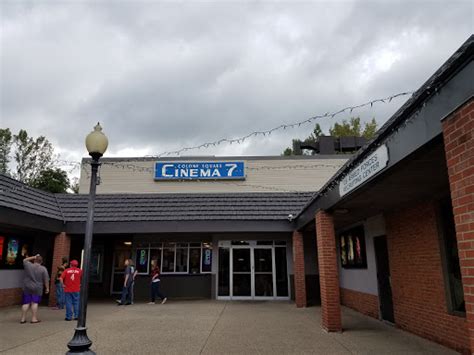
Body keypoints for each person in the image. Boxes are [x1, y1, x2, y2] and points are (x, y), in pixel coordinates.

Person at [20, 254, 49, 324]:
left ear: (34, 260)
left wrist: (34, 256)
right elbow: (46, 280)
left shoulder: (28, 265)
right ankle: (33, 319)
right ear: (41, 262)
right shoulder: (43, 269)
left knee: (26, 303)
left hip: (27, 286)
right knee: (34, 303)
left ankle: (23, 319)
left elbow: (24, 260)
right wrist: (47, 288)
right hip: (37, 288)